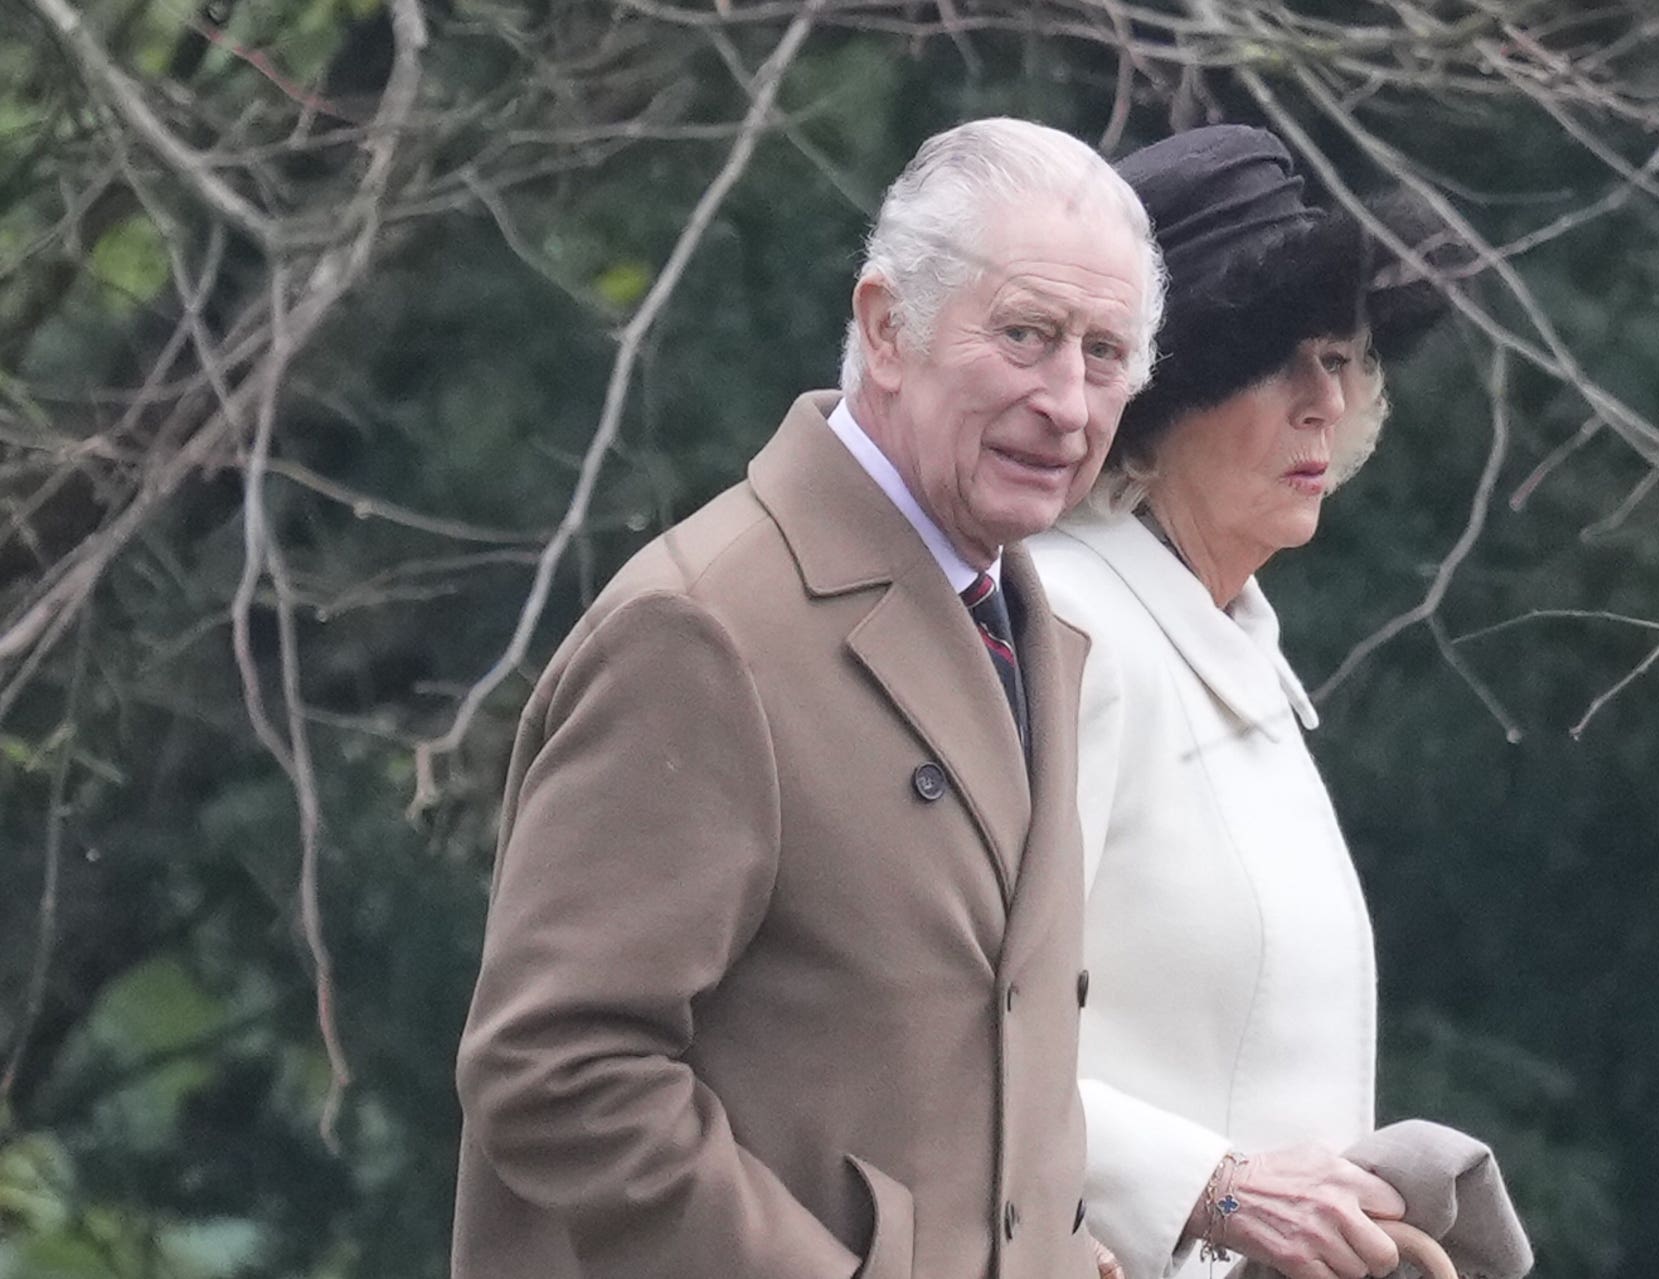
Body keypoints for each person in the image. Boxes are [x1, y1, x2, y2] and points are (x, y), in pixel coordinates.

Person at [451, 116, 1165, 1279]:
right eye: (1027, 336)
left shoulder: (1034, 633)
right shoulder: (702, 627)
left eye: (1106, 354)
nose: (1070, 404)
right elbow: (556, 1067)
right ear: (887, 328)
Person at [1029, 124, 1457, 1279]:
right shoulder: (1070, 632)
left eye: (1342, 356)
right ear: (1166, 397)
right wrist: (1212, 1191)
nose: (1325, 401)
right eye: (1278, 361)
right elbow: (958, 1033)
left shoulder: (1237, 649)